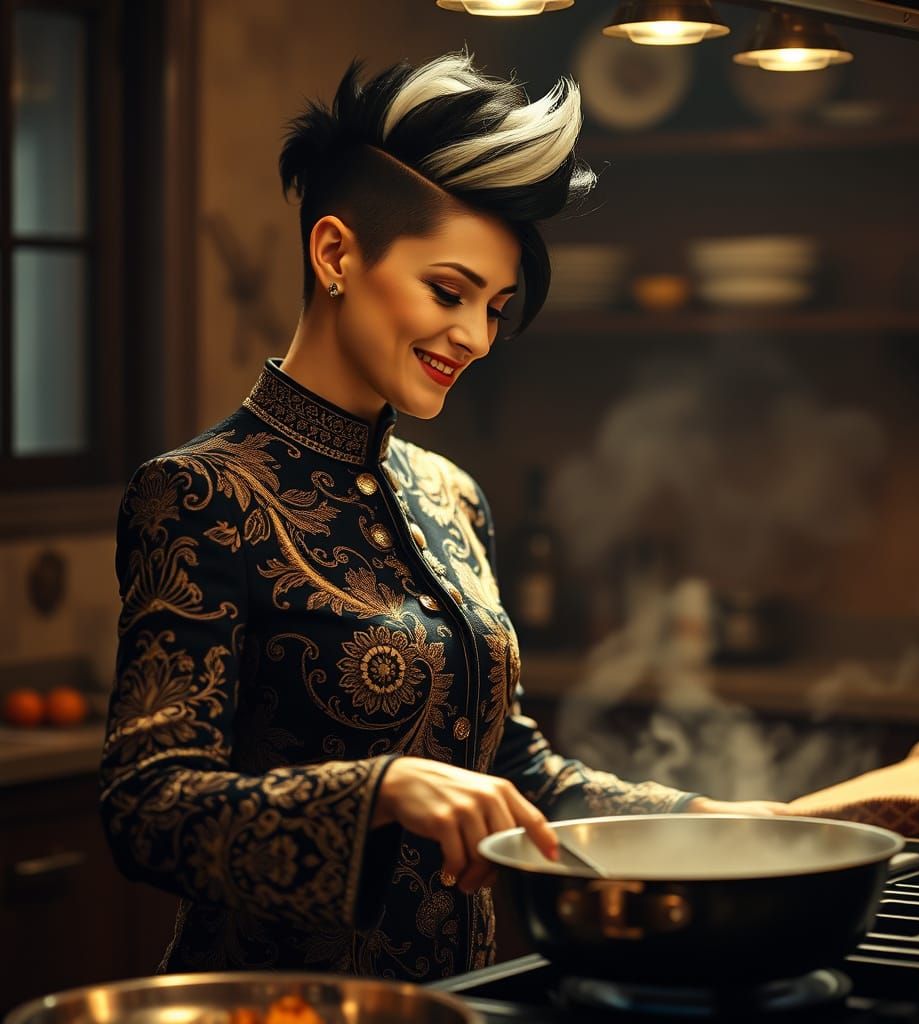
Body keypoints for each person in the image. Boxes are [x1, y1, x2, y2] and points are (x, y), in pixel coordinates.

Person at [100, 48, 787, 981]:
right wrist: (378, 788)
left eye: (497, 307)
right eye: (449, 291)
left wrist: (707, 824)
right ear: (335, 253)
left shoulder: (450, 494)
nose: (475, 337)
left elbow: (512, 768)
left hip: (459, 1000)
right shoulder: (201, 494)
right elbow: (147, 806)